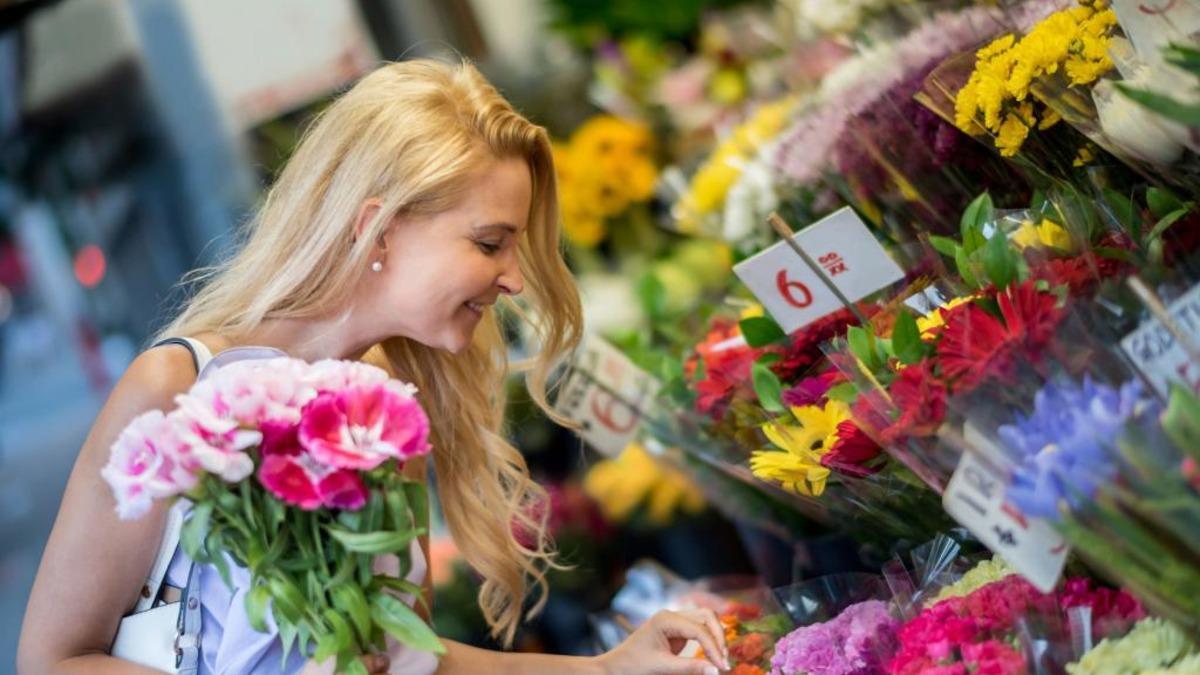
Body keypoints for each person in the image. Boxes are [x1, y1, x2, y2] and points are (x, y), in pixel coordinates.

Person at [17, 59, 730, 675]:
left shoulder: (386, 408)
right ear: (378, 228)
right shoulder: (172, 388)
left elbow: (404, 658)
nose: (514, 279)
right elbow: (52, 659)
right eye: (490, 243)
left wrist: (608, 667)